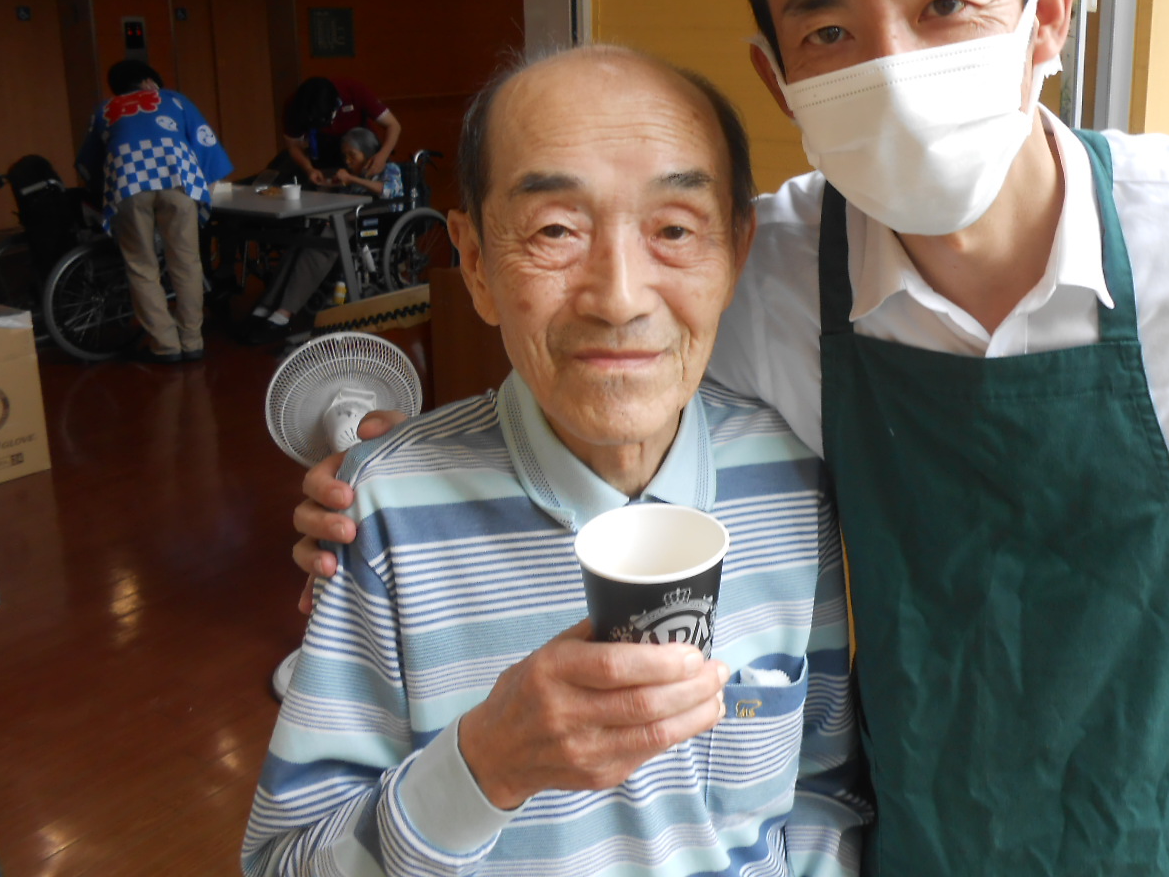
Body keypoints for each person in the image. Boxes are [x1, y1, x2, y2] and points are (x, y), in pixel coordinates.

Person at [294, 0, 1169, 876]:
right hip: (926, 824)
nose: (894, 66)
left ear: (1045, 16)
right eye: (828, 32)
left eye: (943, 6)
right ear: (778, 79)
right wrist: (381, 483)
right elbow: (601, 355)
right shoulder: (765, 268)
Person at [244, 46, 867, 876]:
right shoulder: (379, 514)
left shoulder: (791, 479)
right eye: (555, 231)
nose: (618, 297)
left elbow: (820, 789)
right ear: (475, 263)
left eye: (674, 230)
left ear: (736, 253)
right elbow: (285, 861)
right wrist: (483, 766)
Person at [76, 60, 232, 362]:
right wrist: (206, 188)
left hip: (128, 185)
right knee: (186, 263)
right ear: (148, 82)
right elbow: (206, 144)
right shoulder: (175, 100)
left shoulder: (105, 109)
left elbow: (89, 163)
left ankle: (166, 346)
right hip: (178, 182)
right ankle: (192, 341)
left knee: (141, 266)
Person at [240, 128, 403, 345]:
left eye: (352, 155)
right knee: (303, 240)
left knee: (324, 241)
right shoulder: (351, 176)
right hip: (346, 218)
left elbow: (388, 191)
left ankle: (284, 313)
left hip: (373, 220)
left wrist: (353, 179)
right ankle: (266, 306)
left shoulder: (389, 169)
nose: (347, 161)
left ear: (368, 153)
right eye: (345, 156)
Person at [280, 77, 400, 187]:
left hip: (361, 150)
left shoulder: (353, 90)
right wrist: (309, 169)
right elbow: (294, 145)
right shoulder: (294, 105)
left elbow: (393, 125)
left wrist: (382, 155)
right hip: (324, 151)